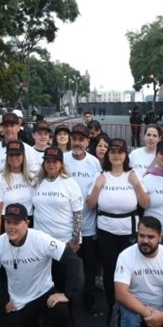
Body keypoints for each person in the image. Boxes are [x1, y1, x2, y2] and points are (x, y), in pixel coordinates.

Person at [0, 203, 82, 327]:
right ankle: (32, 322)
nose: (11, 227)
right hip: (18, 300)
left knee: (61, 311)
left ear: (26, 223)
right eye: (8, 222)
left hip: (43, 293)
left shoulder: (41, 239)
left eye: (16, 222)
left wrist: (67, 294)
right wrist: (4, 301)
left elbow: (73, 260)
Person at [86, 138, 150, 317]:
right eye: (113, 152)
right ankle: (112, 307)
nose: (116, 155)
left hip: (129, 231)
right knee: (110, 270)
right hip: (106, 231)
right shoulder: (100, 176)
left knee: (130, 270)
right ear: (108, 155)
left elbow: (145, 203)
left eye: (120, 152)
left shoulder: (133, 175)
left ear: (125, 155)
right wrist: (97, 187)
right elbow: (90, 204)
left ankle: (130, 307)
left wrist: (136, 184)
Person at [62, 125, 103, 315]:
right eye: (75, 138)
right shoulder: (62, 160)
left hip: (88, 226)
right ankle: (66, 301)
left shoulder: (94, 163)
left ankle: (89, 298)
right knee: (66, 268)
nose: (77, 143)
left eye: (81, 139)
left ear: (88, 142)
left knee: (89, 267)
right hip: (65, 227)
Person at [0, 140, 33, 238]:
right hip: (8, 223)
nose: (14, 158)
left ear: (23, 156)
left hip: (28, 223)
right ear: (7, 157)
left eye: (18, 154)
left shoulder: (31, 178)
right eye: (11, 155)